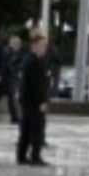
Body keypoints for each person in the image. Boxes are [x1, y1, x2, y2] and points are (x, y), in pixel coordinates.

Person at [16, 32, 52, 167]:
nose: (45, 48)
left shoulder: (28, 60)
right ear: (35, 46)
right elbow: (36, 84)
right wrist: (42, 101)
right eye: (43, 46)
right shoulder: (33, 61)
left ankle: (21, 156)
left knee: (26, 129)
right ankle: (35, 157)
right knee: (36, 129)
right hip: (33, 102)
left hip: (27, 100)